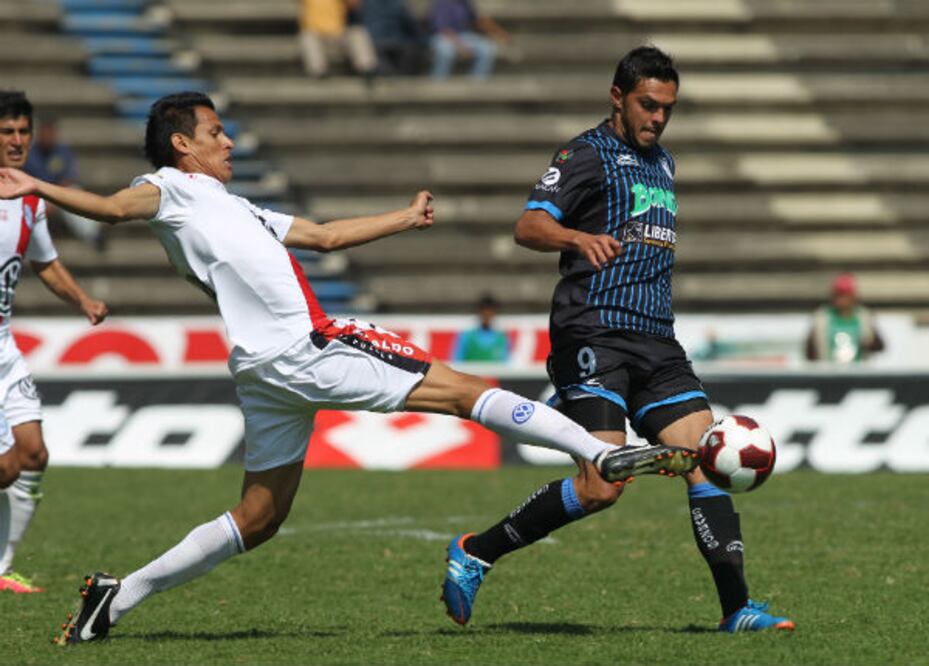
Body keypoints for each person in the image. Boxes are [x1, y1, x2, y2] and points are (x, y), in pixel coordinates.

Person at [0, 91, 698, 643]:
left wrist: (403, 218)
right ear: (183, 145)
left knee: (259, 516)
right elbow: (111, 209)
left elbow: (325, 235)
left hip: (264, 369)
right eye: (215, 132)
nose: (228, 141)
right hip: (309, 345)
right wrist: (38, 184)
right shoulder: (169, 188)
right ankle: (599, 453)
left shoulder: (231, 205)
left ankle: (118, 598)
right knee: (463, 391)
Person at [440, 47, 795, 633]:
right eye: (648, 105)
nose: (658, 117)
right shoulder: (585, 154)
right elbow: (528, 225)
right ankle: (476, 551)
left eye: (668, 108)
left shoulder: (665, 164)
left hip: (657, 341)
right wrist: (577, 239)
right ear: (617, 98)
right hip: (593, 332)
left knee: (706, 462)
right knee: (602, 488)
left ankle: (737, 610)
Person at [0, 91, 109, 595]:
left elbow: (44, 263)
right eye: (7, 131)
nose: (17, 140)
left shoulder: (29, 199)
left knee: (33, 454)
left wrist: (83, 299)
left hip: (4, 345)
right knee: (5, 467)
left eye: (23, 131)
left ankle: (1, 569)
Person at [24, 118, 105, 253]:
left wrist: (54, 198)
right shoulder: (30, 154)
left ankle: (94, 234)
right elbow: (26, 181)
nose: (47, 136)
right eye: (45, 133)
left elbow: (69, 179)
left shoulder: (63, 152)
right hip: (37, 194)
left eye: (50, 133)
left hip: (58, 195)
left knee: (75, 194)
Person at [806, 273, 884, 363]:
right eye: (838, 294)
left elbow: (879, 346)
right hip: (829, 369)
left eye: (845, 295)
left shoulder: (863, 317)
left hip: (858, 369)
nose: (842, 299)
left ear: (853, 296)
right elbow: (810, 352)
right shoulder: (821, 317)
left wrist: (868, 342)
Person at [428, 0, 510, 80]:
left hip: (464, 35)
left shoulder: (465, 2)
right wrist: (460, 46)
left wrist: (499, 33)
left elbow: (480, 20)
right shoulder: (441, 3)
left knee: (487, 48)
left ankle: (476, 82)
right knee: (446, 52)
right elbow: (443, 29)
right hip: (442, 37)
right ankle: (438, 81)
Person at [299, 0, 378, 82]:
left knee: (357, 33)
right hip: (317, 36)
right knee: (307, 37)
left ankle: (367, 69)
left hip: (339, 35)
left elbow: (355, 5)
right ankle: (318, 72)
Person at [362, 0, 425, 76]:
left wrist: (422, 40)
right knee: (382, 65)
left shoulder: (398, 4)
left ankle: (399, 76)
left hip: (397, 42)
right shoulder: (367, 4)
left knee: (409, 53)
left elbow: (411, 24)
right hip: (377, 43)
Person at [452, 293, 510, 362]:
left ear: (494, 313)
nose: (487, 315)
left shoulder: (502, 339)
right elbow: (457, 362)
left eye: (490, 311)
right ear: (479, 312)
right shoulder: (466, 337)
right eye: (484, 311)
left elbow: (505, 363)